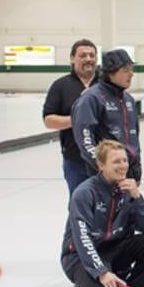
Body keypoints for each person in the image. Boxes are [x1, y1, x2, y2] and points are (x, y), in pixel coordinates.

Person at [60, 140, 144, 287]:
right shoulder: (85, 193)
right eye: (116, 162)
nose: (123, 166)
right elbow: (83, 239)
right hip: (79, 256)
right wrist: (102, 272)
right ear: (101, 165)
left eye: (124, 160)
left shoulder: (127, 189)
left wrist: (137, 198)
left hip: (113, 249)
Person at [72, 48, 142, 181]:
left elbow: (134, 140)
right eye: (125, 70)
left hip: (128, 174)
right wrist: (104, 169)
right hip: (104, 177)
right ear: (111, 73)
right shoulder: (92, 99)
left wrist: (136, 170)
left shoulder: (128, 100)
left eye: (131, 69)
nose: (131, 74)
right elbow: (85, 141)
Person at [43, 38, 98, 196]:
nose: (88, 59)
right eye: (83, 55)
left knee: (107, 207)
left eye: (91, 55)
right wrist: (77, 120)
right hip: (75, 160)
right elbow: (48, 120)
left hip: (105, 160)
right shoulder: (60, 86)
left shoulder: (105, 85)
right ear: (72, 58)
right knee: (78, 203)